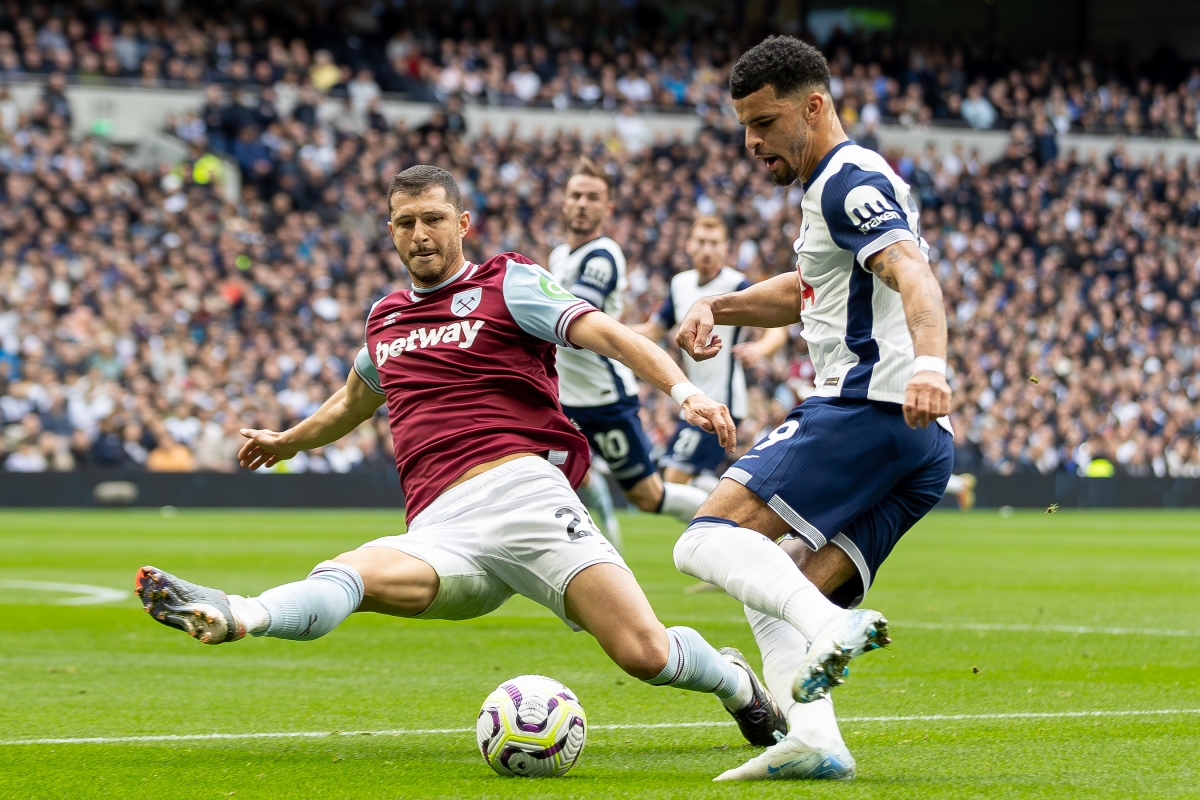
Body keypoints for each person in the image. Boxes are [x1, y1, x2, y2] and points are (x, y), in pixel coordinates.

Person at [135, 165, 785, 749]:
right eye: (406, 222)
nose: (420, 234)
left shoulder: (510, 283)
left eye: (434, 220)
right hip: (442, 530)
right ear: (390, 230)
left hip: (528, 498)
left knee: (644, 654)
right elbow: (348, 404)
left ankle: (735, 683)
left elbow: (608, 334)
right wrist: (284, 442)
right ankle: (237, 613)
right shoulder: (385, 319)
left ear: (463, 224)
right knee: (348, 575)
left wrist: (683, 391)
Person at [669, 36, 955, 781]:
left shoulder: (845, 179)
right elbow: (804, 291)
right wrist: (718, 306)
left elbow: (913, 271)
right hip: (919, 446)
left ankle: (832, 626)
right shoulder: (832, 190)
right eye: (743, 127)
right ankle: (815, 739)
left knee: (701, 542)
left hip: (870, 408)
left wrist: (930, 363)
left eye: (763, 123)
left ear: (814, 105)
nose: (751, 142)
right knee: (776, 578)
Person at [548, 157, 711, 547]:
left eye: (592, 197)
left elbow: (573, 314)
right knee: (552, 474)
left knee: (648, 496)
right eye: (576, 195)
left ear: (607, 208)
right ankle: (596, 546)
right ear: (564, 202)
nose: (582, 203)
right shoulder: (558, 256)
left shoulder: (602, 256)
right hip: (565, 399)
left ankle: (728, 523)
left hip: (606, 398)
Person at [631, 216, 788, 490]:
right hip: (692, 399)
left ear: (726, 249)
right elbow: (654, 330)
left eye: (714, 243)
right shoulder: (680, 284)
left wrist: (760, 348)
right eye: (701, 242)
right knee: (691, 481)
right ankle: (730, 520)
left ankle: (733, 523)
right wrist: (607, 329)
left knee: (673, 479)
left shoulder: (737, 285)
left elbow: (779, 330)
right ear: (688, 245)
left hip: (722, 400)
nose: (707, 249)